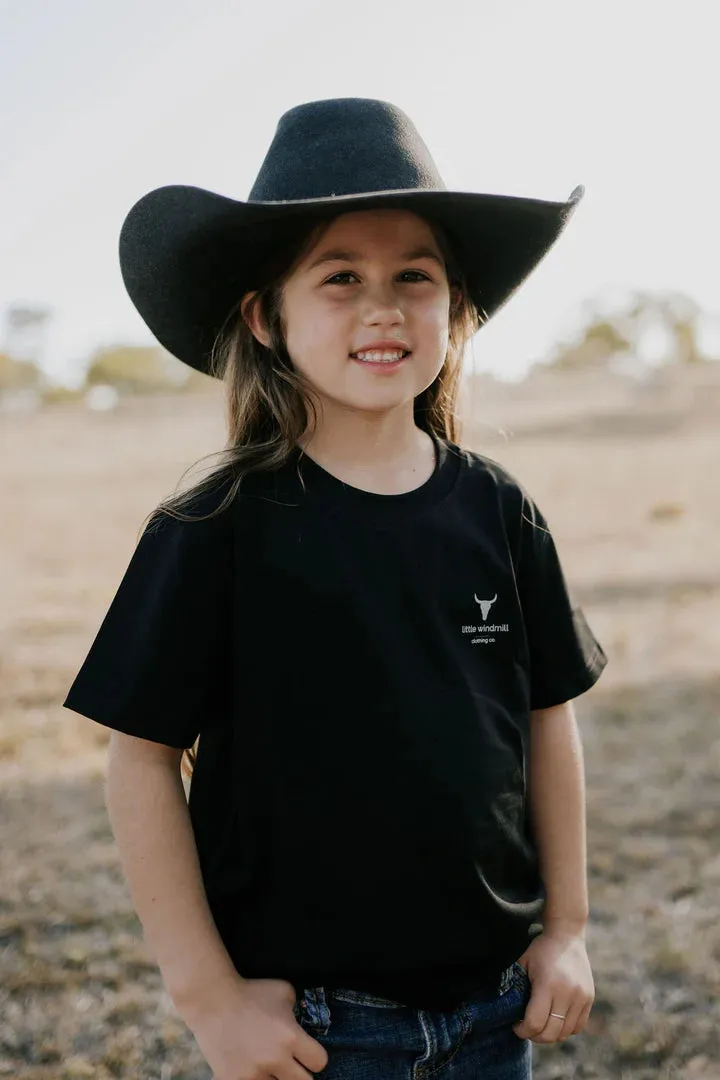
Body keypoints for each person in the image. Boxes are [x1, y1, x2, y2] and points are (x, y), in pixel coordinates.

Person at [64, 98, 608, 1080]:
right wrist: (211, 1001)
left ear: (458, 310)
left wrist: (565, 928)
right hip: (317, 1029)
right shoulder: (214, 529)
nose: (383, 306)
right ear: (265, 316)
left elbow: (546, 720)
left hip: (496, 1009)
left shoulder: (499, 510)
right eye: (340, 277)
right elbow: (140, 761)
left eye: (416, 277)